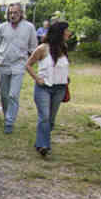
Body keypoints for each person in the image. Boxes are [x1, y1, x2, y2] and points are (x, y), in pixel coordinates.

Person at [25, 21, 72, 157]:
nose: (69, 33)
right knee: (44, 117)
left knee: (50, 120)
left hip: (60, 88)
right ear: (60, 33)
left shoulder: (64, 47)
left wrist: (66, 77)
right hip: (44, 88)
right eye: (67, 30)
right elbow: (28, 65)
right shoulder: (42, 48)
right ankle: (44, 146)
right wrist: (37, 78)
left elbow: (61, 66)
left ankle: (40, 142)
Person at [0, 3, 38, 134]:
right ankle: (6, 114)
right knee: (4, 94)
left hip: (19, 64)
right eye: (10, 13)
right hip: (4, 64)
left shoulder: (29, 27)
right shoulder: (2, 27)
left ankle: (9, 121)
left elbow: (33, 46)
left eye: (15, 13)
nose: (13, 15)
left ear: (21, 13)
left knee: (13, 94)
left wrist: (30, 62)